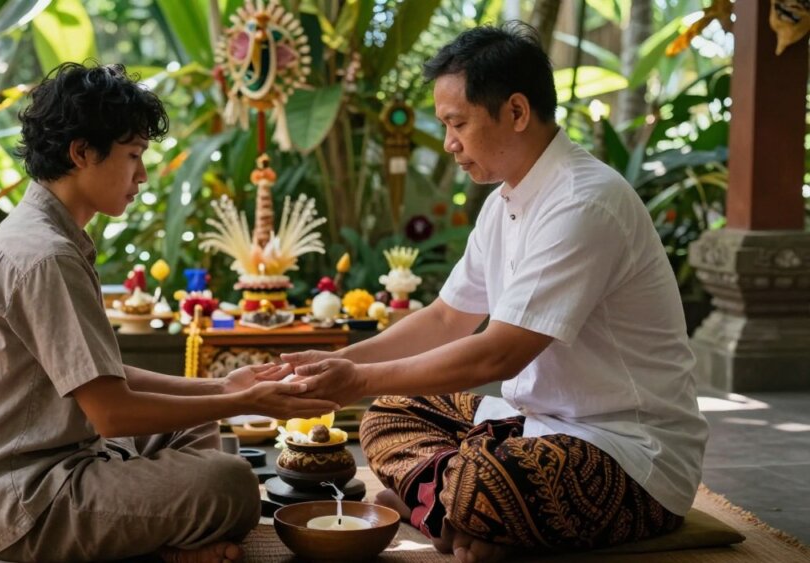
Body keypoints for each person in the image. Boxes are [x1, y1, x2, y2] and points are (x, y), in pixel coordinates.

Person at [282, 22, 708, 563]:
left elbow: (499, 352)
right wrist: (336, 363)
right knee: (389, 413)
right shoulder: (507, 200)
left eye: (457, 123)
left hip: (629, 455)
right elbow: (444, 319)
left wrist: (356, 379)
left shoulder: (584, 202)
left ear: (516, 112)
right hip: (534, 427)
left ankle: (443, 509)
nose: (449, 143)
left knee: (483, 479)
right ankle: (461, 522)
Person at [0, 62, 339, 563]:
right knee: (231, 483)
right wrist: (245, 402)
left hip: (54, 461)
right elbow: (112, 413)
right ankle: (159, 549)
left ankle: (156, 539)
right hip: (19, 500)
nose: (142, 175)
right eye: (133, 156)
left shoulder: (45, 233)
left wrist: (225, 387)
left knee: (196, 430)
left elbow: (99, 378)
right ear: (82, 152)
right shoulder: (46, 255)